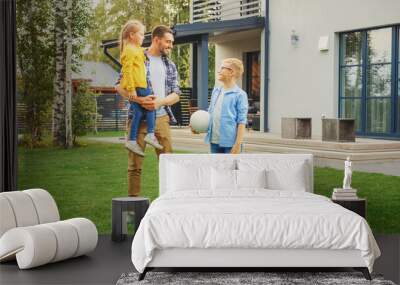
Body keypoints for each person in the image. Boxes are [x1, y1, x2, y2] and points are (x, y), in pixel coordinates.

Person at [116, 25, 180, 197]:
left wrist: (160, 102)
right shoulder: (136, 55)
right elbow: (119, 86)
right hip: (138, 119)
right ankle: (132, 207)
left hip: (162, 119)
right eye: (168, 42)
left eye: (172, 43)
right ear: (156, 39)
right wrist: (138, 99)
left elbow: (176, 94)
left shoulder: (170, 65)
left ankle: (169, 202)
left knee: (168, 164)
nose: (170, 46)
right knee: (134, 166)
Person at [118, 20, 162, 156]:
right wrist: (131, 89)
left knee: (137, 113)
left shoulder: (134, 49)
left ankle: (131, 140)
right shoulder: (129, 50)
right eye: (141, 34)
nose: (143, 37)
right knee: (151, 106)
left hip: (137, 85)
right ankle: (150, 133)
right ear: (132, 35)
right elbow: (128, 70)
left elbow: (141, 55)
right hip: (138, 86)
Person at [192, 58, 248, 154]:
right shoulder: (216, 91)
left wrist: (238, 144)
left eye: (223, 68)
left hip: (231, 144)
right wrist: (198, 127)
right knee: (216, 168)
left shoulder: (240, 95)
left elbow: (241, 122)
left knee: (230, 169)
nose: (219, 71)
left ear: (232, 72)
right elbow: (211, 114)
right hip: (214, 141)